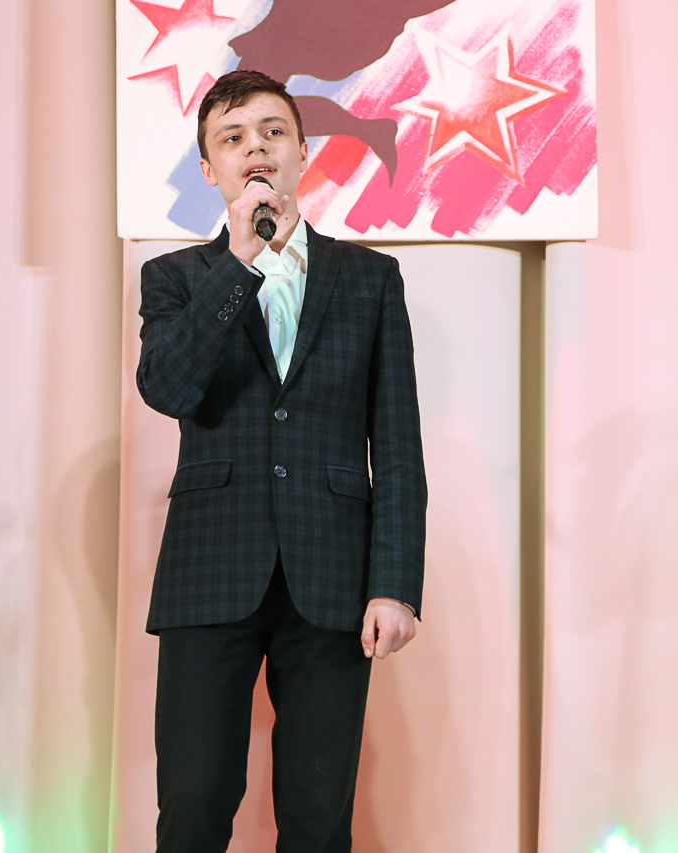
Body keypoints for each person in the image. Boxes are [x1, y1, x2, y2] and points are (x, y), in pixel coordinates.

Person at [135, 69, 427, 853]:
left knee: (317, 813)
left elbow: (397, 443)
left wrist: (395, 583)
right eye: (232, 138)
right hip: (208, 571)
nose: (254, 148)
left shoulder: (370, 280)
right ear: (209, 169)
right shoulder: (175, 279)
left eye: (272, 132)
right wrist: (239, 261)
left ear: (303, 151)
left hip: (332, 574)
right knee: (194, 802)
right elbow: (168, 388)